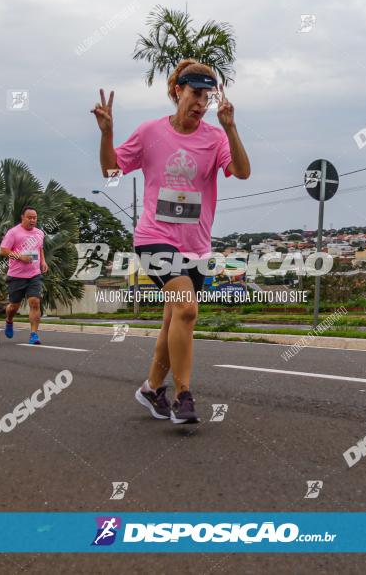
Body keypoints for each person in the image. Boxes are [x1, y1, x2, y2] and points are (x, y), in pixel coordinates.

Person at [93, 59, 250, 424]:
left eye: (207, 96)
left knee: (172, 322)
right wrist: (106, 134)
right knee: (188, 309)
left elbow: (241, 171)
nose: (201, 103)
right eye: (196, 93)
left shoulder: (214, 138)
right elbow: (111, 169)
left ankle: (150, 389)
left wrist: (231, 128)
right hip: (154, 238)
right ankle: (183, 396)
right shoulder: (151, 132)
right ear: (177, 90)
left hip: (195, 245)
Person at [0, 206, 48, 345]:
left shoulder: (39, 233)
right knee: (14, 306)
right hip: (16, 275)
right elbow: (3, 251)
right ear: (23, 217)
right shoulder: (13, 232)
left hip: (34, 274)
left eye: (35, 218)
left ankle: (34, 334)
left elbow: (40, 248)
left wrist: (43, 261)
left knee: (35, 302)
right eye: (30, 217)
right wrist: (20, 256)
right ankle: (9, 320)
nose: (33, 220)